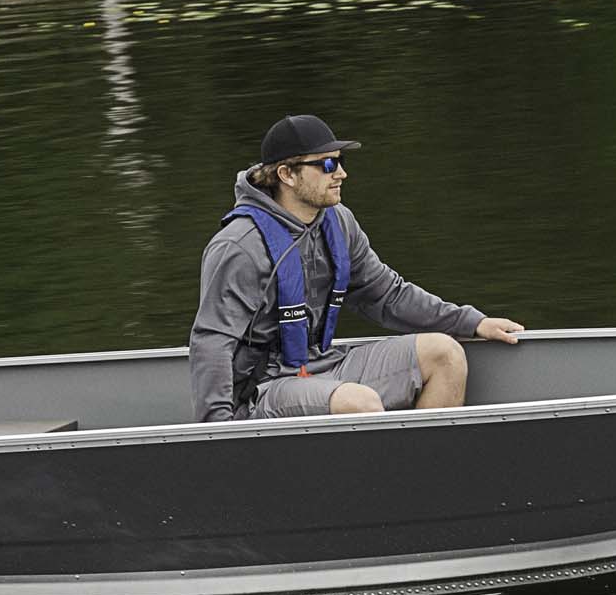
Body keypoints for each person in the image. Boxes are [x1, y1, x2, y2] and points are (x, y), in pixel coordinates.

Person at [190, 113, 523, 422]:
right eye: (328, 164)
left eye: (341, 161)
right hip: (263, 386)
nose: (341, 173)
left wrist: (471, 321)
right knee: (359, 402)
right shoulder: (239, 247)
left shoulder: (338, 222)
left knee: (446, 354)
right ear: (286, 174)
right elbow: (212, 342)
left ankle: (421, 478)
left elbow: (387, 294)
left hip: (323, 363)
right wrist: (219, 432)